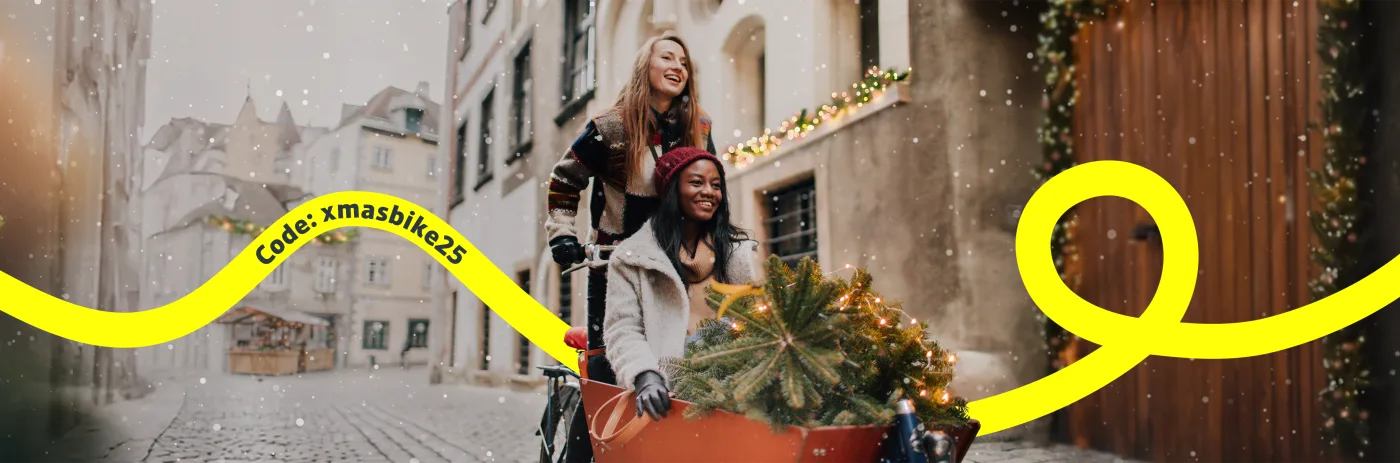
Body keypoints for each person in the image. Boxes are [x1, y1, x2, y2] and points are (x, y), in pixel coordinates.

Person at [545, 31, 716, 386]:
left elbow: (711, 189)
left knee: (686, 369)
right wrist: (562, 234)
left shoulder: (699, 126)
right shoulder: (610, 126)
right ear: (645, 66)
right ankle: (588, 440)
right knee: (606, 376)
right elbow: (565, 178)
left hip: (676, 266)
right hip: (614, 265)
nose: (678, 67)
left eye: (684, 62)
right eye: (667, 57)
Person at [603, 146, 757, 421]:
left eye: (716, 185)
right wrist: (646, 376)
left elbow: (759, 317)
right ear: (672, 190)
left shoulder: (738, 253)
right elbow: (622, 330)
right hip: (672, 390)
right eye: (696, 182)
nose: (709, 192)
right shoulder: (631, 258)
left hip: (736, 384)